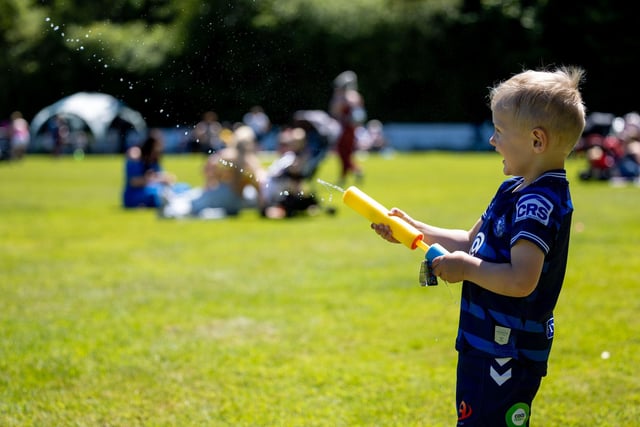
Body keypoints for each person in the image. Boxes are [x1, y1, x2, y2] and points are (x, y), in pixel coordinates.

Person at [371, 66, 586, 426]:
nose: (492, 140)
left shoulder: (539, 204)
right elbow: (473, 243)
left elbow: (521, 280)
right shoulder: (513, 189)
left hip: (508, 348)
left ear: (537, 141)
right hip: (484, 342)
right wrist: (414, 229)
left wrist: (466, 269)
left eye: (499, 131)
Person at [159, 125, 265, 219]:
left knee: (194, 201)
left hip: (224, 192)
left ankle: (171, 210)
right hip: (237, 201)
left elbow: (209, 165)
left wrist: (211, 181)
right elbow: (260, 182)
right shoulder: (252, 161)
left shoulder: (228, 154)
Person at [122, 131, 184, 208]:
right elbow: (134, 182)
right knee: (157, 194)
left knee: (182, 188)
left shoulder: (154, 161)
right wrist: (155, 179)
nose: (161, 148)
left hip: (152, 189)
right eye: (158, 145)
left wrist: (165, 179)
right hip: (136, 194)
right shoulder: (137, 157)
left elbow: (160, 176)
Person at [329, 70, 366, 186]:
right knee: (346, 154)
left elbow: (334, 112)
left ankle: (354, 171)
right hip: (352, 129)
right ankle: (347, 175)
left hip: (343, 129)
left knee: (343, 154)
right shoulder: (355, 96)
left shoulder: (343, 98)